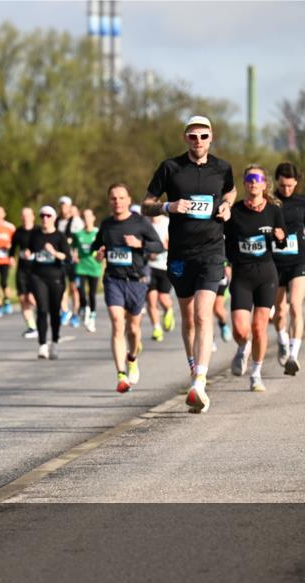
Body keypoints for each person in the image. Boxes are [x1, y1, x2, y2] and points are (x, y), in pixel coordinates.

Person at [142, 115, 236, 414]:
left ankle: (199, 381)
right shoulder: (170, 168)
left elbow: (231, 190)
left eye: (204, 136)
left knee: (201, 313)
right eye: (193, 136)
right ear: (186, 138)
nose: (199, 141)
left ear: (211, 138)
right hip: (180, 255)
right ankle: (193, 367)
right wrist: (168, 206)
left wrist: (227, 205)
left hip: (212, 251)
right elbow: (146, 204)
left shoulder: (222, 168)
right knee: (187, 316)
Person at [92, 184, 164, 392]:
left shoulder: (139, 222)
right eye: (113, 198)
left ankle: (132, 358)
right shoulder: (106, 225)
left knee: (133, 329)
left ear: (128, 200)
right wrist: (99, 254)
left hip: (136, 281)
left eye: (121, 198)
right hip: (113, 280)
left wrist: (139, 244)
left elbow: (158, 246)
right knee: (117, 323)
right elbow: (97, 246)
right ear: (109, 201)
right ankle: (121, 374)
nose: (117, 202)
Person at [225, 165, 286, 392]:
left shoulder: (274, 210)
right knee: (241, 330)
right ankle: (243, 348)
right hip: (242, 274)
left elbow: (282, 237)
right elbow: (227, 243)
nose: (253, 182)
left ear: (264, 184)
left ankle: (257, 373)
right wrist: (227, 262)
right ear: (245, 183)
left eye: (257, 179)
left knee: (259, 327)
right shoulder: (235, 211)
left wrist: (280, 237)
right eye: (249, 178)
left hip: (266, 274)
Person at [270, 162, 305, 375]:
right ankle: (281, 341)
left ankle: (293, 355)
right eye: (282, 185)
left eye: (289, 185)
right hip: (275, 262)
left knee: (295, 305)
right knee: (280, 311)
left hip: (298, 260)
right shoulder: (270, 201)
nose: (286, 190)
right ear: (276, 182)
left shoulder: (303, 201)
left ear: (296, 182)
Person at [27, 205, 71, 359]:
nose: (45, 219)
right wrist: (28, 253)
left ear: (53, 218)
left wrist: (54, 252)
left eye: (48, 216)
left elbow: (67, 257)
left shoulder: (59, 236)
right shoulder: (35, 235)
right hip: (38, 276)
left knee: (54, 311)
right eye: (42, 216)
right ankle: (42, 345)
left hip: (56, 276)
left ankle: (55, 342)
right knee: (42, 309)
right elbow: (29, 250)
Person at [146, 212, 175, 342]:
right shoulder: (145, 223)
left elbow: (173, 241)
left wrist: (164, 247)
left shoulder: (167, 222)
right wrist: (148, 254)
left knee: (163, 297)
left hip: (165, 266)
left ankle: (169, 310)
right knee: (151, 299)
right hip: (150, 266)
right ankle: (156, 328)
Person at [73, 208, 102, 333]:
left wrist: (101, 256)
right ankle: (84, 307)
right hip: (81, 267)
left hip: (94, 267)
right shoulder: (78, 234)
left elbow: (102, 248)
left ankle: (92, 317)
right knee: (80, 291)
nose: (86, 219)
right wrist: (74, 256)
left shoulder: (98, 233)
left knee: (92, 293)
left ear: (93, 218)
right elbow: (73, 248)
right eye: (84, 216)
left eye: (89, 216)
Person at [11, 206, 38, 338]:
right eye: (23, 215)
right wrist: (11, 258)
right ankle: (32, 326)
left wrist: (32, 252)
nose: (25, 218)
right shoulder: (18, 232)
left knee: (32, 299)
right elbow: (12, 248)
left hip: (36, 268)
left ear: (33, 217)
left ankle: (42, 315)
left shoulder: (38, 231)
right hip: (22, 269)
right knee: (22, 298)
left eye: (28, 215)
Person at [56, 196, 82, 328]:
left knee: (74, 288)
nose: (63, 208)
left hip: (72, 259)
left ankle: (76, 314)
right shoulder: (56, 221)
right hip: (60, 258)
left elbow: (80, 240)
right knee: (61, 286)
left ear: (70, 207)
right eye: (61, 205)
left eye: (65, 205)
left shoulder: (76, 221)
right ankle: (65, 311)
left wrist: (77, 254)